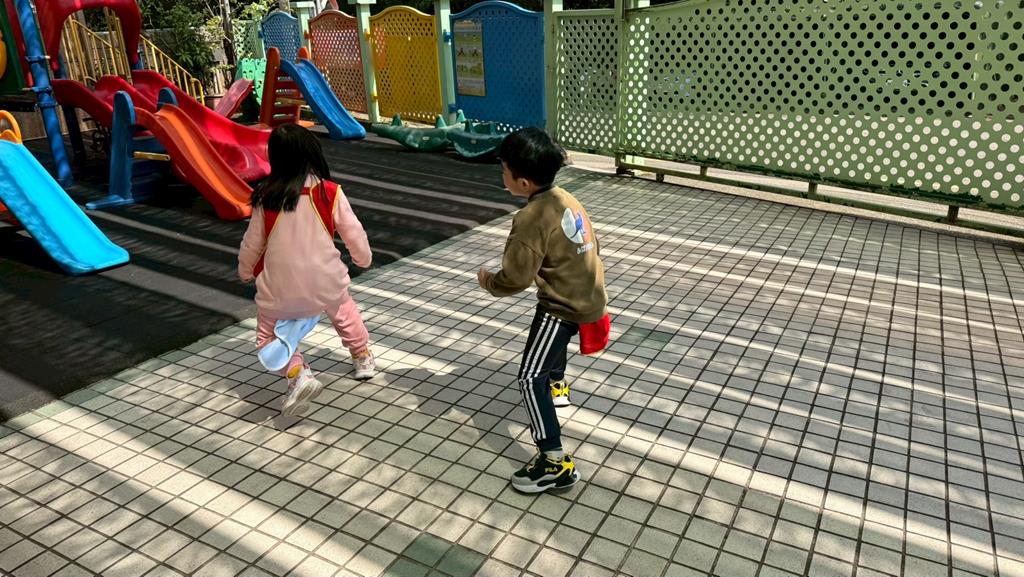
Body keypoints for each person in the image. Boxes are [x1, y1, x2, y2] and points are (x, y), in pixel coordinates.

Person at [478, 127, 610, 493]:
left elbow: (516, 278)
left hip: (562, 306)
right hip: (588, 294)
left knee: (528, 377)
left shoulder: (531, 217)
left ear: (522, 182)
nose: (502, 174)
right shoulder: (565, 198)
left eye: (503, 169)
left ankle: (554, 461)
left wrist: (489, 281)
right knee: (551, 352)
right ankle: (557, 385)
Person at [238, 124, 376, 417]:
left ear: (275, 156)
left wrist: (246, 270)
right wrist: (363, 259)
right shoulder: (329, 192)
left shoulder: (266, 196)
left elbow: (252, 242)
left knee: (267, 338)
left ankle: (298, 373)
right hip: (326, 281)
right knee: (344, 313)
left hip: (280, 288)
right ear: (312, 153)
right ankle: (362, 357)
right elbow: (353, 231)